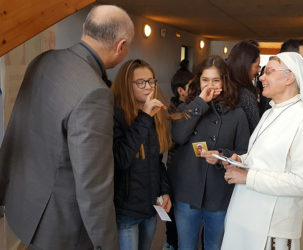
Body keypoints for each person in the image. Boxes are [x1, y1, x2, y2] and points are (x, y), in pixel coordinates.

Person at [0, 5, 134, 250]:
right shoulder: (95, 92)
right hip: (57, 227)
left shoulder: (43, 59)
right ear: (121, 46)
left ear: (85, 29)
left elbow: (16, 130)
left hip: (22, 205)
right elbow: (94, 184)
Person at [221, 52, 303, 250]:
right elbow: (265, 158)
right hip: (246, 213)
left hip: (273, 227)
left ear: (290, 77)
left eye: (268, 71)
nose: (261, 77)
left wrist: (248, 177)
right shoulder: (270, 112)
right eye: (262, 72)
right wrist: (241, 160)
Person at [168, 55, 250, 250]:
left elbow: (244, 153)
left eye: (215, 80)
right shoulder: (187, 107)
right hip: (187, 190)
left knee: (214, 246)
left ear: (224, 81)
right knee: (185, 246)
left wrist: (221, 156)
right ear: (199, 81)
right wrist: (199, 103)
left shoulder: (237, 114)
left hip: (219, 192)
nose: (210, 86)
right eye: (205, 80)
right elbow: (178, 136)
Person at [112, 59, 173, 250]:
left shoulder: (154, 114)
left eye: (151, 81)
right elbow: (121, 159)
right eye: (141, 82)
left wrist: (164, 191)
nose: (148, 87)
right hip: (126, 210)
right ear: (126, 85)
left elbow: (156, 161)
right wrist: (144, 117)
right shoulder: (115, 115)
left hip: (150, 208)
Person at [164, 70, 194, 250]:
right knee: (173, 210)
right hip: (174, 169)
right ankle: (171, 242)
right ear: (181, 91)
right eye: (192, 86)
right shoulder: (173, 111)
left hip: (182, 169)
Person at [226, 40, 261, 133]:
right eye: (257, 66)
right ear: (246, 66)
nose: (258, 70)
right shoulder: (246, 96)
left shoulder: (225, 87)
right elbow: (255, 131)